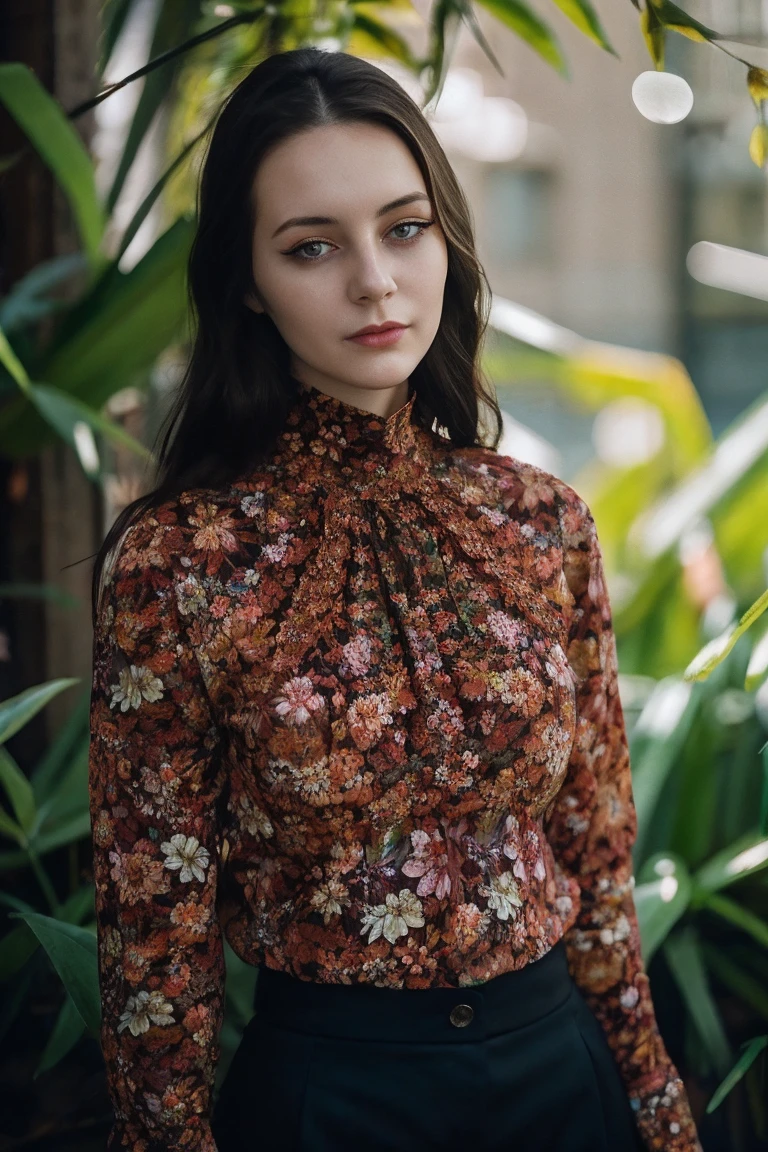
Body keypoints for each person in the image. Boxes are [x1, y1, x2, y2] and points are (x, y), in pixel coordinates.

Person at [87, 46, 702, 1152]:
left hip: (560, 1079)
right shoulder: (179, 561)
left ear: (447, 241)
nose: (375, 279)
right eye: (313, 247)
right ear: (246, 281)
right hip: (329, 1099)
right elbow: (152, 936)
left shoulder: (541, 521)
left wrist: (659, 1114)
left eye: (404, 227)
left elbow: (598, 858)